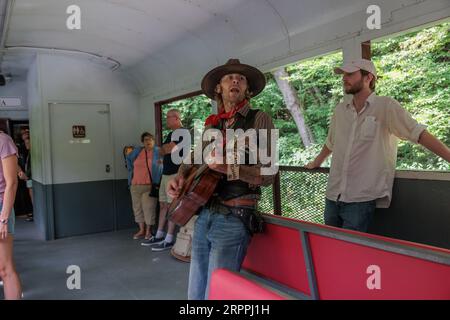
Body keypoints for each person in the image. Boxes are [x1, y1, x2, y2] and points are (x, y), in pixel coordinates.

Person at [167, 59, 276, 299]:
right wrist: (179, 177)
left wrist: (230, 168)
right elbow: (192, 161)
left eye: (241, 78)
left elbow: (269, 173)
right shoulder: (212, 125)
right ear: (219, 88)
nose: (235, 80)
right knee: (195, 291)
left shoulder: (260, 119)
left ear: (247, 89)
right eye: (229, 78)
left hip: (234, 217)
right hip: (204, 214)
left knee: (217, 294)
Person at [305, 58, 450, 232]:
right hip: (332, 195)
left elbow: (418, 134)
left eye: (350, 74)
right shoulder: (340, 110)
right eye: (343, 74)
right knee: (329, 246)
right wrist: (317, 162)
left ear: (368, 78)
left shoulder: (386, 106)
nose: (344, 78)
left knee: (352, 252)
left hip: (361, 199)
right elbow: (331, 143)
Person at [142, 109, 186, 251]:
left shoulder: (182, 133)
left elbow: (168, 149)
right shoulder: (171, 134)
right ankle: (160, 235)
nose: (166, 120)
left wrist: (163, 149)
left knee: (172, 206)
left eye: (168, 117)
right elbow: (162, 150)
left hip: (175, 174)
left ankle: (169, 239)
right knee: (163, 205)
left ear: (176, 118)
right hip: (165, 174)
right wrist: (163, 149)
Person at [126, 132, 163, 240]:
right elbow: (128, 158)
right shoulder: (138, 151)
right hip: (135, 185)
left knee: (149, 209)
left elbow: (163, 164)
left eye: (150, 139)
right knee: (137, 209)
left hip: (150, 185)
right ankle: (141, 230)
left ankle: (148, 231)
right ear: (142, 142)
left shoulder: (158, 151)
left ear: (154, 141)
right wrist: (130, 171)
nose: (148, 141)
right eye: (146, 139)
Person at [0, 131, 22, 299]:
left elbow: (12, 182)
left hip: (1, 207)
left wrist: (4, 218)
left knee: (5, 268)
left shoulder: (4, 141)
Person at [18, 137, 33, 221]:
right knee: (30, 197)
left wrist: (26, 175)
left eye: (28, 143)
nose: (26, 145)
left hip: (30, 178)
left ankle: (34, 215)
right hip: (28, 178)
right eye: (25, 143)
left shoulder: (32, 153)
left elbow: (32, 167)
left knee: (32, 197)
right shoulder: (29, 153)